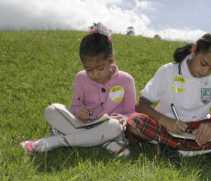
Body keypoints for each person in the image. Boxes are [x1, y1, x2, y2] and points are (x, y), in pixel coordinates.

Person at [126, 32, 211, 157]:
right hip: (166, 125)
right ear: (194, 50)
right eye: (204, 64)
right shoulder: (168, 71)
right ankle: (203, 150)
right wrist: (166, 121)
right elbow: (141, 106)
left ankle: (174, 148)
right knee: (136, 122)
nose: (206, 71)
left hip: (199, 129)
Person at [20, 23, 136, 157]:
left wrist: (123, 118)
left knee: (115, 127)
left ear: (111, 60)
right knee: (52, 110)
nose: (94, 74)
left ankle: (57, 141)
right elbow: (75, 106)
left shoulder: (126, 80)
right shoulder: (81, 77)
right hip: (83, 123)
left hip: (110, 126)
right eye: (89, 69)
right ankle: (102, 142)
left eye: (100, 68)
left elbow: (131, 112)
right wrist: (79, 111)